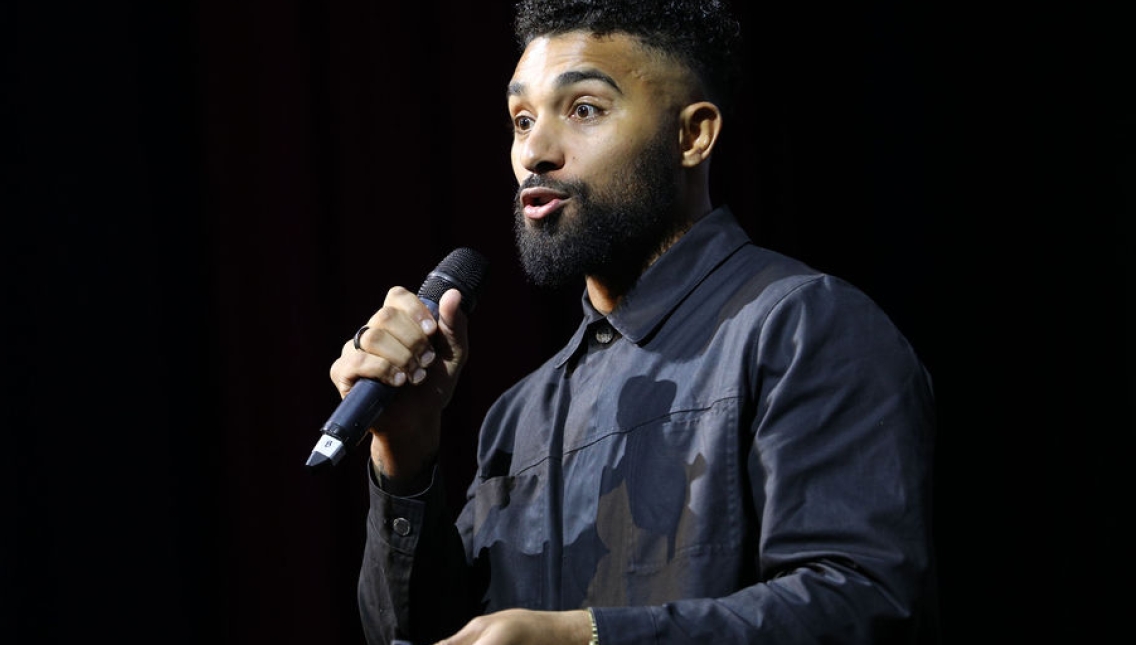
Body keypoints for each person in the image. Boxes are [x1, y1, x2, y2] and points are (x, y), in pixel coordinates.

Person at [327, 0, 939, 643]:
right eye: (522, 119)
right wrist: (405, 450)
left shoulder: (803, 326)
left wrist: (585, 637)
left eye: (584, 109)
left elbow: (865, 606)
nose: (534, 151)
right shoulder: (519, 416)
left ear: (692, 135)